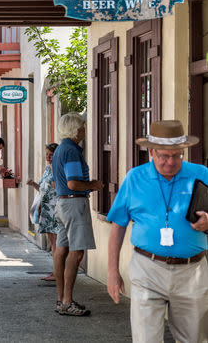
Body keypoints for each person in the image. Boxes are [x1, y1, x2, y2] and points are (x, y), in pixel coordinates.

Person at [106, 120, 208, 342]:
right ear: (151, 151)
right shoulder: (135, 177)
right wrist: (112, 272)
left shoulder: (201, 174)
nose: (170, 162)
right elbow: (118, 226)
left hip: (192, 271)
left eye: (176, 155)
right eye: (163, 156)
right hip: (147, 269)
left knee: (195, 339)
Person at [51, 112, 102, 316]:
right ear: (75, 129)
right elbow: (73, 182)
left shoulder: (60, 150)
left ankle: (61, 299)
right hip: (74, 203)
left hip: (62, 203)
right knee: (77, 252)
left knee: (61, 251)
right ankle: (67, 301)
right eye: (81, 126)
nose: (84, 129)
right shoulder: (71, 151)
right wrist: (93, 185)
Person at [27, 143, 61, 281]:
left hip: (55, 209)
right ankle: (56, 271)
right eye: (46, 154)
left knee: (58, 243)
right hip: (46, 209)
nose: (48, 157)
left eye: (51, 155)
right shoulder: (48, 169)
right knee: (53, 242)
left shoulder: (59, 169)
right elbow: (42, 189)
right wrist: (33, 184)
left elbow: (60, 188)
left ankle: (58, 272)